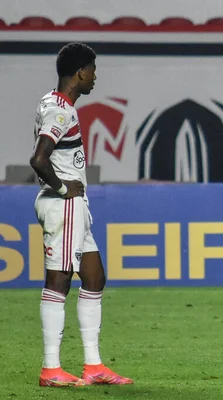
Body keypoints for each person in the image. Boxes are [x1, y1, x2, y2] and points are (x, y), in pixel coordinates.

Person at [30, 42, 133, 387]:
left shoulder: (52, 101)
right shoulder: (62, 112)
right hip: (64, 204)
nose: (95, 77)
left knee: (94, 277)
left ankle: (94, 367)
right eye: (92, 70)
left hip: (74, 206)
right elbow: (39, 159)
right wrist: (62, 188)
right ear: (79, 73)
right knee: (59, 280)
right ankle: (51, 369)